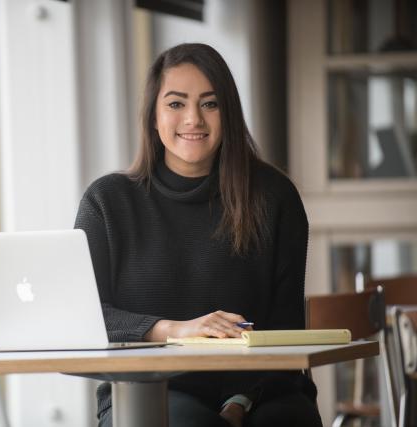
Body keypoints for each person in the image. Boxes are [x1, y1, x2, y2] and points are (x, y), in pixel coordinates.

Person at [74, 43, 323, 427]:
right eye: (176, 104)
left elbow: (285, 328)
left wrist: (240, 402)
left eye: (210, 104)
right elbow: (83, 316)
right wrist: (176, 330)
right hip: (146, 390)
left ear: (229, 114)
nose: (193, 119)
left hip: (261, 389)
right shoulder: (107, 201)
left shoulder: (275, 197)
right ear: (153, 116)